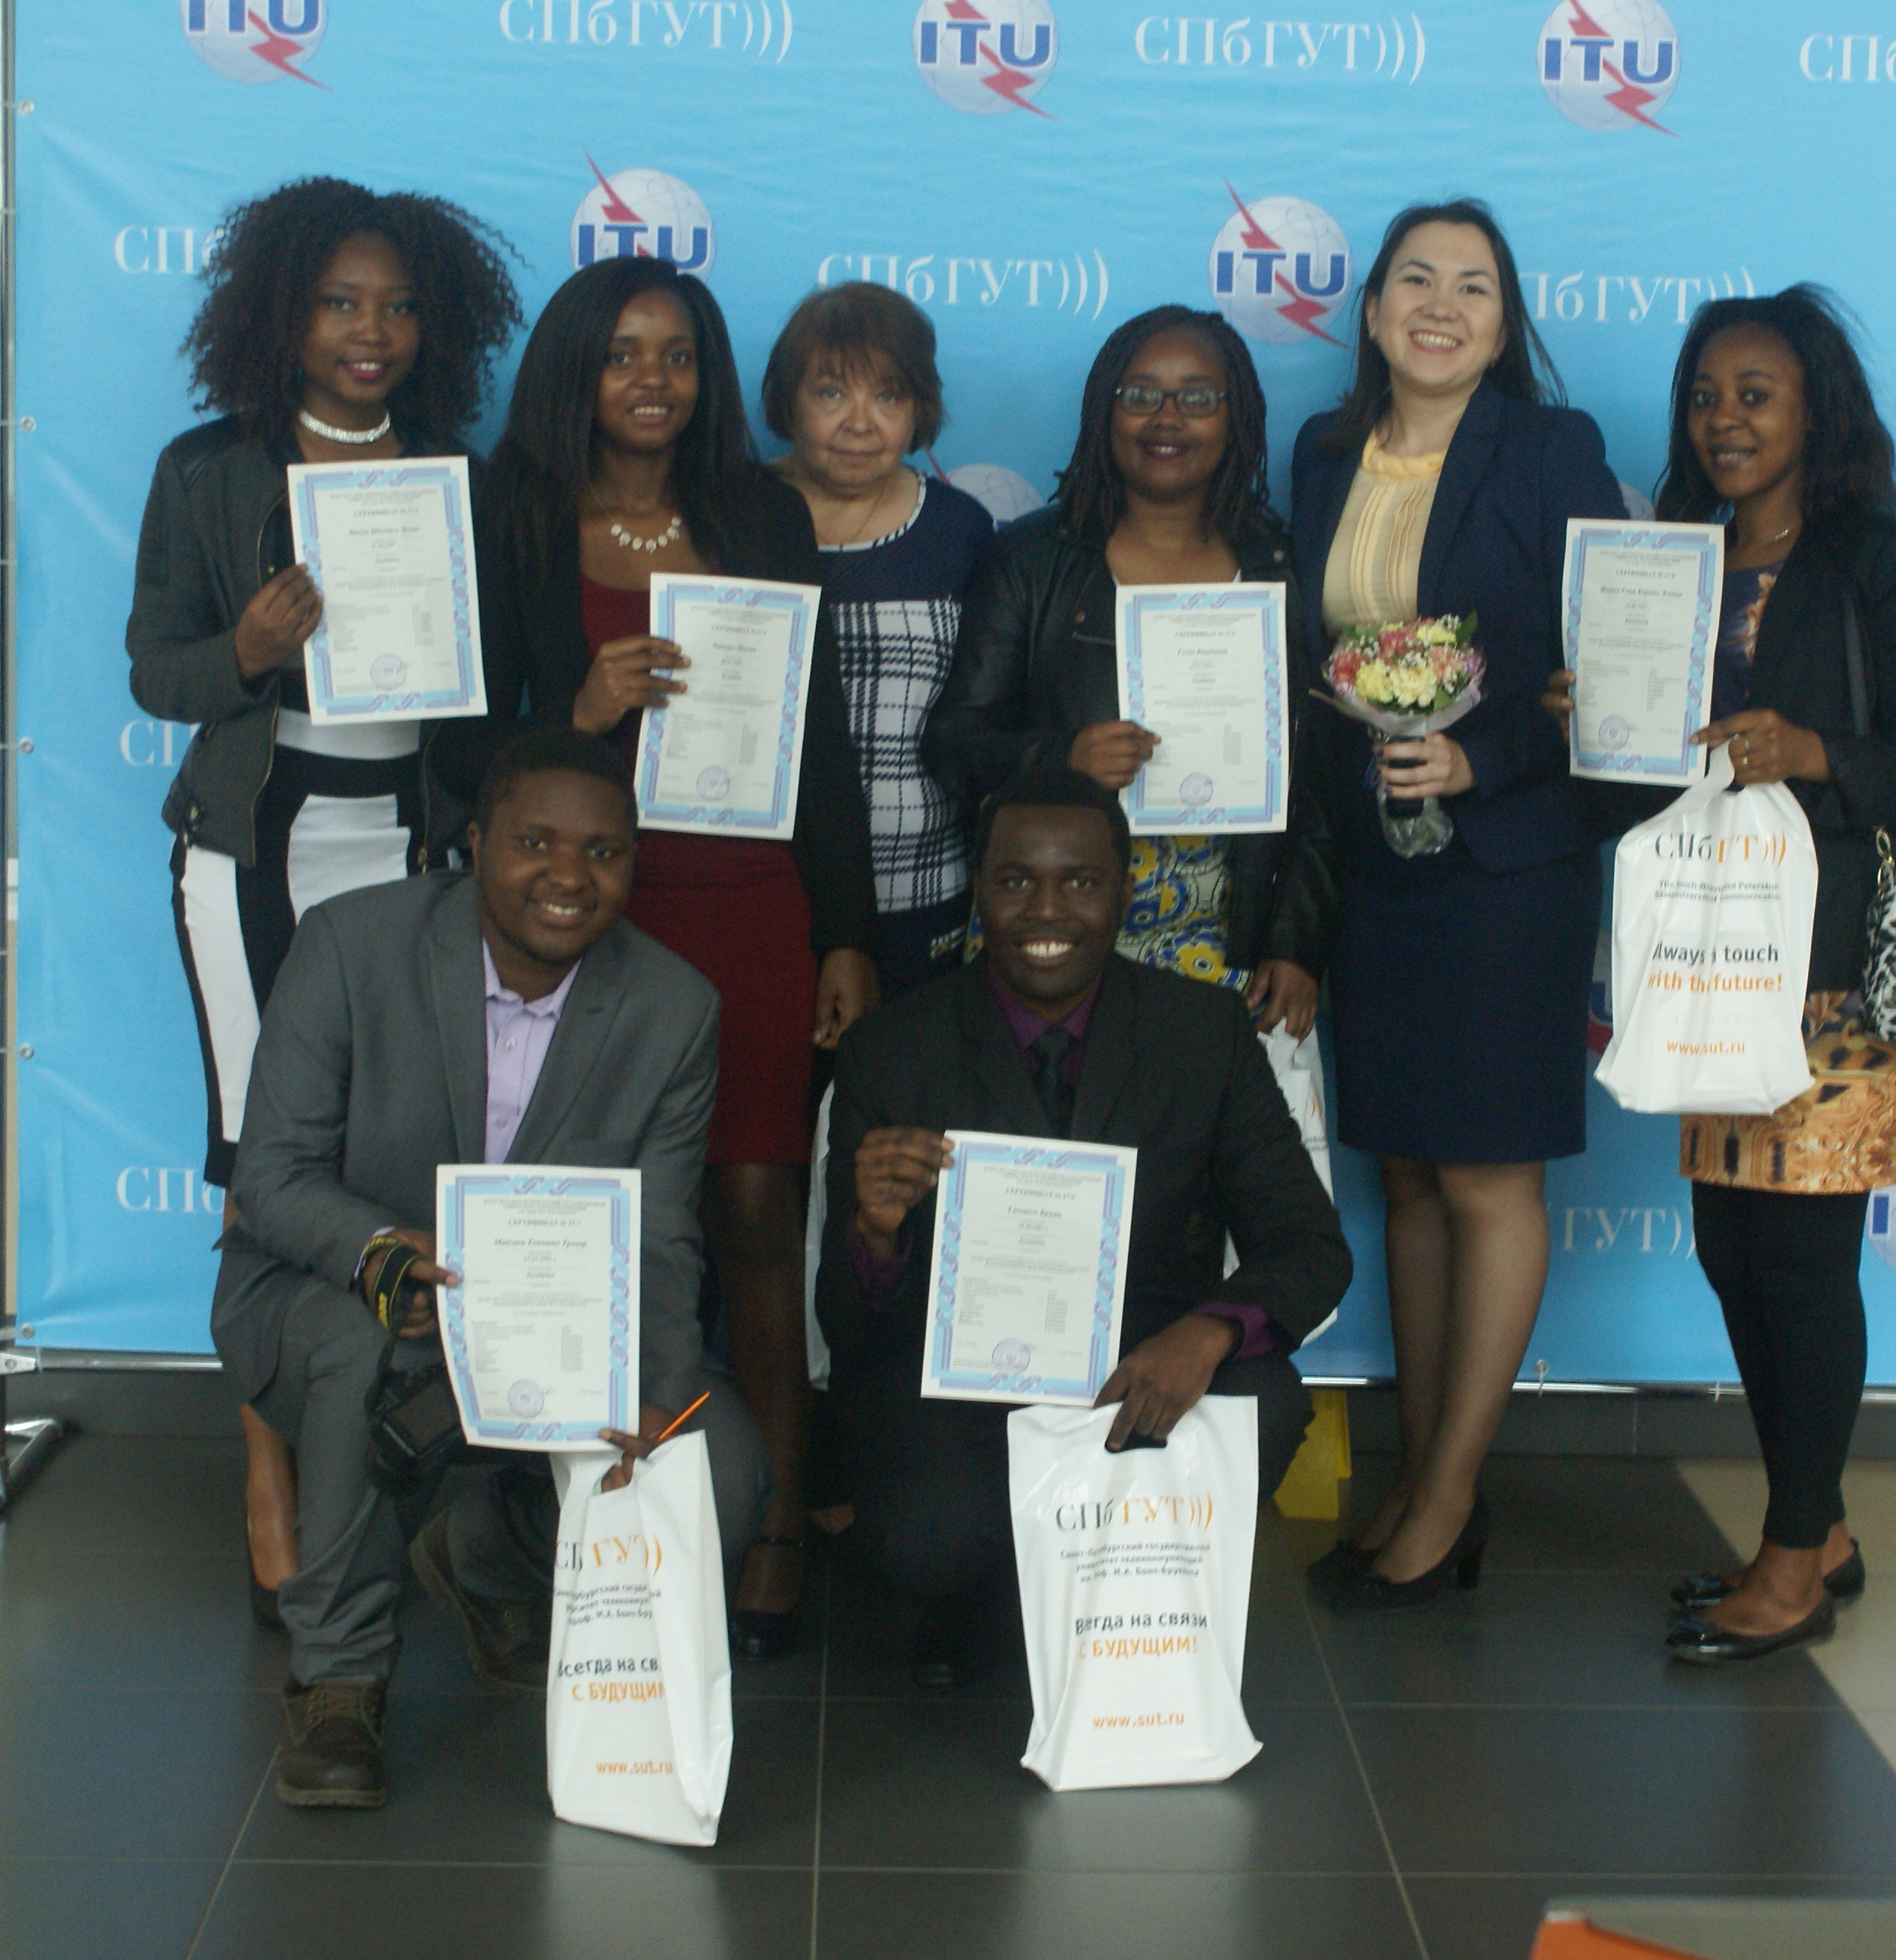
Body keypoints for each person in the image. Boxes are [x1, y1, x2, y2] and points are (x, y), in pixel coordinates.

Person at [450, 257, 879, 1660]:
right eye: (624, 352)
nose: (653, 380)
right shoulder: (510, 514)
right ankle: (575, 1516)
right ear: (574, 368)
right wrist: (573, 714)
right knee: (596, 1218)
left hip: (749, 898)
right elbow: (456, 750)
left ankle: (774, 1522)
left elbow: (819, 733)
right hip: (583, 912)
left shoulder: (756, 510)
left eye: (679, 354)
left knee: (756, 1208)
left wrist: (846, 927)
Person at [212, 727, 764, 1808]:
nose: (568, 876)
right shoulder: (349, 944)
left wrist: (657, 1396)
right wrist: (381, 1253)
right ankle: (338, 1681)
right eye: (534, 843)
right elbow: (270, 1176)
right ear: (475, 843)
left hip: (559, 1327)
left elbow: (660, 1236)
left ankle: (491, 1557)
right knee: (368, 1349)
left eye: (602, 852)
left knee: (723, 1472)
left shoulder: (673, 1008)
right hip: (341, 1295)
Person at [1550, 286, 1896, 1662]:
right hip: (1710, 963)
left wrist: (1811, 751)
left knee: (1799, 1264)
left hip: (1833, 972)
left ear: (1815, 410)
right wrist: (1597, 724)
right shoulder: (1677, 561)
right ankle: (1821, 1528)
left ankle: (1791, 1566)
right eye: (1704, 395)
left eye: (1755, 394)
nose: (1722, 420)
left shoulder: (1879, 561)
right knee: (1738, 1255)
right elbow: (1652, 786)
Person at [123, 177, 522, 1636]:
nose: (373, 330)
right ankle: (269, 1471)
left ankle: (394, 1444)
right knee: (259, 1152)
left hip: (412, 848)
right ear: (280, 314)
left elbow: (493, 690)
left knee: (398, 1147)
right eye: (341, 302)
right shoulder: (208, 469)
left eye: (400, 305)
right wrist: (243, 646)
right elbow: (153, 670)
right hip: (254, 846)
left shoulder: (461, 476)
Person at [815, 770, 1349, 1686]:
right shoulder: (892, 1049)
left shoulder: (1204, 1032)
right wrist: (876, 1237)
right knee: (927, 1533)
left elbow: (1308, 1246)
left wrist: (1206, 1333)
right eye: (1015, 881)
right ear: (978, 889)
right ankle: (982, 1597)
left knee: (1264, 1401)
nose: (1045, 909)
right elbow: (848, 1328)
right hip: (961, 1386)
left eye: (1080, 881)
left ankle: (1125, 1595)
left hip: (1146, 1369)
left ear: (1123, 891)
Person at [1287, 201, 1626, 1613]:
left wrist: (1483, 760)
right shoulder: (1322, 454)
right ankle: (1418, 1477)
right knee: (1412, 1178)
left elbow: (1621, 672)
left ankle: (1446, 1501)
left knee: (1487, 1179)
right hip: (1377, 871)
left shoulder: (1553, 450)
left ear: (1504, 322)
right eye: (1414, 280)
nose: (1440, 305)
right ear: (1372, 311)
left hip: (1506, 872)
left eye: (1473, 286)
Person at [925, 305, 1331, 1036]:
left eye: (1198, 397)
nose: (1166, 418)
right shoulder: (1032, 560)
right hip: (1050, 923)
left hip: (1228, 941)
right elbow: (954, 743)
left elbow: (1319, 779)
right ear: (1103, 412)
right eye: (1140, 394)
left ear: (1236, 417)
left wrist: (1294, 941)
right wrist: (1062, 757)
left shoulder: (1282, 567)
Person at [764, 283, 997, 998]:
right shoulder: (734, 513)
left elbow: (984, 718)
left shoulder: (960, 529)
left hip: (920, 882)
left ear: (920, 408)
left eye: (889, 396)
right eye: (832, 393)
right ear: (788, 401)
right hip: (765, 883)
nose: (860, 423)